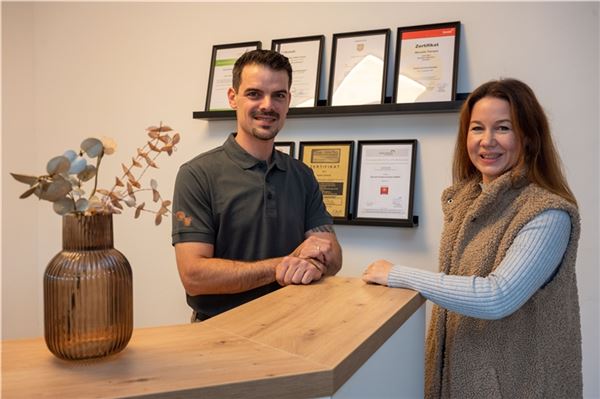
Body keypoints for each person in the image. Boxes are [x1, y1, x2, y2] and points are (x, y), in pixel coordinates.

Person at [362, 78, 582, 398]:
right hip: (459, 378)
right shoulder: (467, 202)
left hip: (518, 384)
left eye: (503, 128)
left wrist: (397, 274)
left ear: (529, 138)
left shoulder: (548, 214)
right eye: (477, 128)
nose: (487, 141)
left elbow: (497, 296)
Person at [172, 49, 342, 322]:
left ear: (288, 102)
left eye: (278, 95)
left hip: (294, 325)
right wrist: (281, 265)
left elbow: (331, 256)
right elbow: (194, 276)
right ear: (232, 98)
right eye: (254, 94)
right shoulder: (197, 174)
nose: (267, 105)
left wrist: (316, 261)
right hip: (219, 333)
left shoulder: (301, 174)